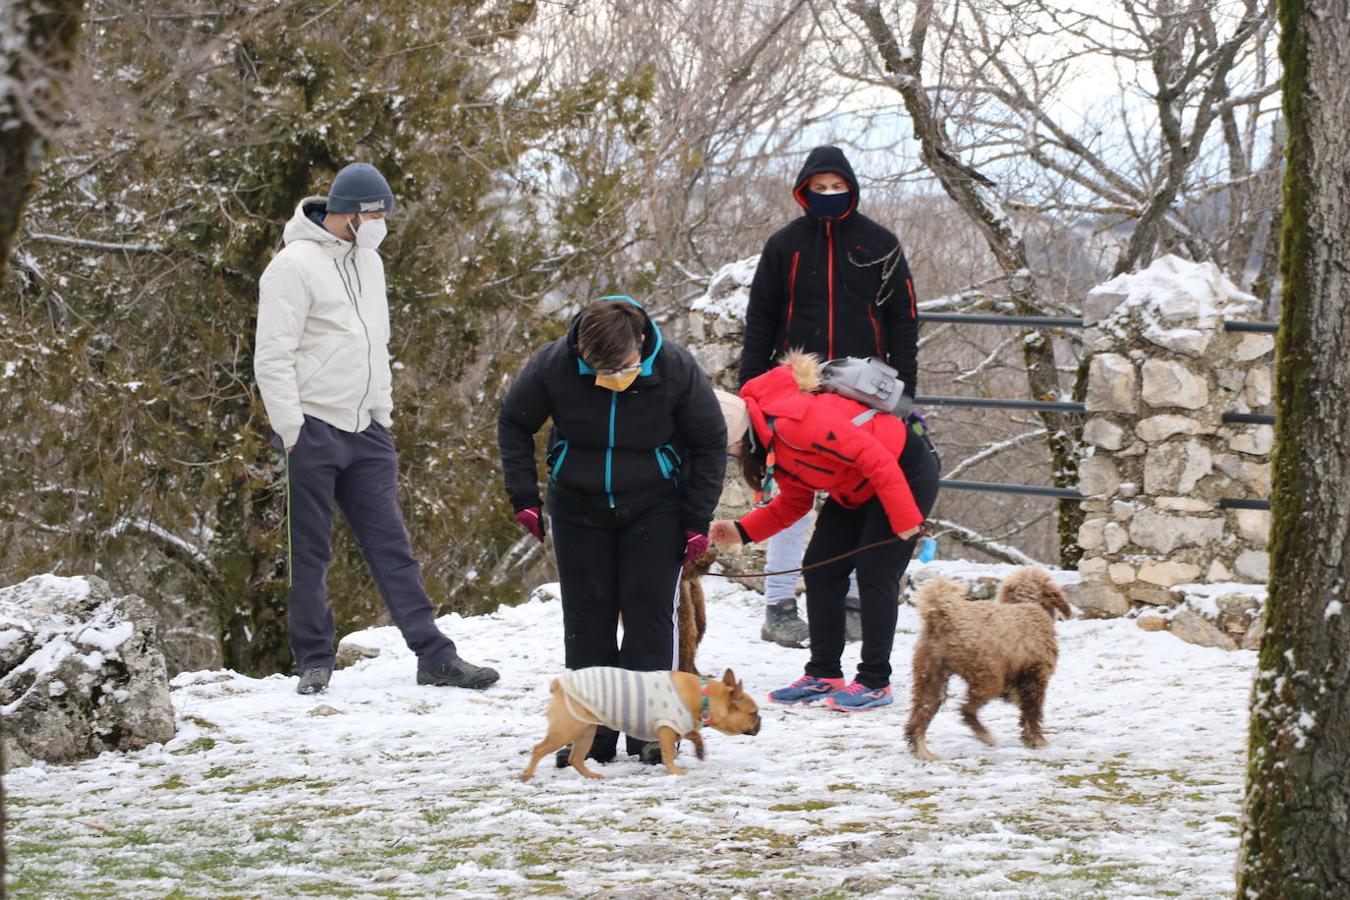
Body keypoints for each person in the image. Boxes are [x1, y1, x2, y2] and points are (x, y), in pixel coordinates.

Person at [254, 162, 499, 695]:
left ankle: (434, 656)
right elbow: (271, 357)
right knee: (310, 553)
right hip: (312, 429)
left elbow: (376, 344)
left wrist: (382, 416)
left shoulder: (370, 262)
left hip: (366, 429)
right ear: (348, 211)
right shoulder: (290, 266)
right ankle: (314, 659)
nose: (381, 223)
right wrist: (291, 430)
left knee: (393, 548)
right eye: (374, 214)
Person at [498, 297, 727, 764]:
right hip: (578, 505)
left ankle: (648, 732)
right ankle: (591, 733)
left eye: (623, 368)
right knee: (587, 618)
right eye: (599, 370)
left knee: (647, 615)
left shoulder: (676, 367)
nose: (614, 379)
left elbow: (710, 441)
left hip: (655, 503)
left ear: (641, 342)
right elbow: (514, 422)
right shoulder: (553, 364)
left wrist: (696, 519)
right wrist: (523, 496)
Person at [739, 145, 920, 648]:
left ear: (852, 188)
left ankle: (858, 604)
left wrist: (906, 395)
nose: (827, 196)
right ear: (803, 191)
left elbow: (904, 321)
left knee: (865, 490)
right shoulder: (784, 246)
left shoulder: (880, 244)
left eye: (836, 188)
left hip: (867, 388)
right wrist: (753, 389)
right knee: (790, 494)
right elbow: (761, 321)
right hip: (798, 387)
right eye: (817, 189)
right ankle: (778, 605)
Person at [710, 351, 940, 711]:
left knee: (875, 571)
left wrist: (905, 519)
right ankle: (824, 673)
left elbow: (875, 457)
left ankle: (874, 681)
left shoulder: (796, 423)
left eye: (728, 449)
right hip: (855, 487)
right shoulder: (772, 442)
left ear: (739, 437)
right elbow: (794, 502)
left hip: (902, 471)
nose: (730, 455)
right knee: (820, 567)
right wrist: (742, 530)